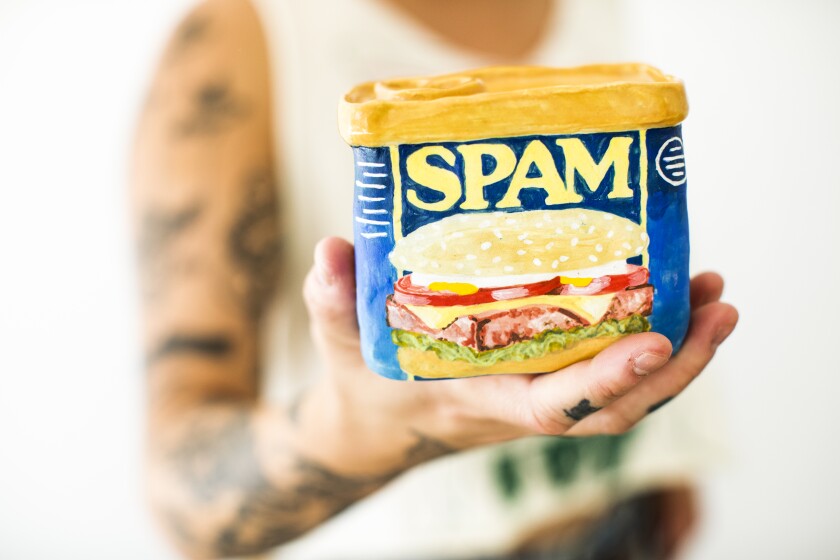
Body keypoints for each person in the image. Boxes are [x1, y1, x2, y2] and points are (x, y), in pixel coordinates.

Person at [132, 0, 739, 558]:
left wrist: (662, 469)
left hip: (625, 529)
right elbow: (180, 495)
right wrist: (360, 427)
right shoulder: (235, 43)